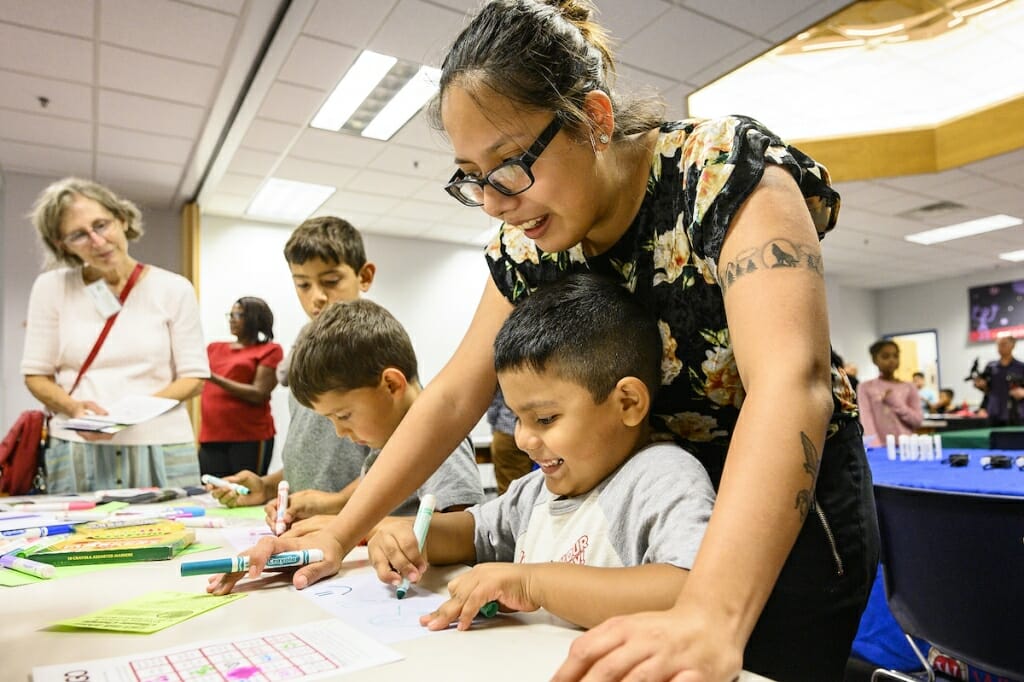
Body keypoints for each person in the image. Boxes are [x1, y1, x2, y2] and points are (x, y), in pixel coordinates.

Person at [213, 2, 877, 680]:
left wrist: (711, 612)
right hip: (643, 507)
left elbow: (791, 384)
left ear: (594, 118)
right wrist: (340, 529)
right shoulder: (528, 242)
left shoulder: (721, 173)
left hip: (782, 506)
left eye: (508, 165)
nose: (496, 202)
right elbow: (450, 398)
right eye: (472, 178)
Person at [368, 274, 714, 630]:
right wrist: (409, 537)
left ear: (627, 403)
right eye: (518, 419)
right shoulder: (537, 492)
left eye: (545, 419)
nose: (523, 440)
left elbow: (691, 589)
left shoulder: (662, 477)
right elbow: (470, 533)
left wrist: (531, 583)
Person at [21, 177, 208, 493]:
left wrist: (130, 414)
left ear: (121, 219)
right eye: (78, 234)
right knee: (78, 541)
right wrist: (75, 409)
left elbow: (194, 377)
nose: (96, 240)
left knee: (176, 535)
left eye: (101, 225)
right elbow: (36, 374)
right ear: (62, 244)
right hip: (76, 445)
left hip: (162, 442)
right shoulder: (51, 288)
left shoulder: (174, 288)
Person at [206, 217, 376, 535]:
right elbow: (314, 452)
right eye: (303, 284)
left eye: (331, 281)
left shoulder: (375, 348)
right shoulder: (303, 349)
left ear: (364, 276)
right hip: (305, 528)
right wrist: (268, 486)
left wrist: (337, 502)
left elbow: (400, 455)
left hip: (353, 531)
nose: (317, 297)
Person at [281, 298, 484, 524]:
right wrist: (333, 507)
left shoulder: (439, 438)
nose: (340, 431)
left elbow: (464, 529)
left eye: (343, 415)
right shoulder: (388, 438)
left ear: (391, 384)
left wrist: (348, 529)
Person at [198, 297, 283, 478]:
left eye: (239, 314)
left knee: (247, 491)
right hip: (211, 435)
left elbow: (259, 393)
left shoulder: (269, 350)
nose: (232, 319)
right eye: (231, 314)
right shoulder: (213, 348)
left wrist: (214, 378)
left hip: (249, 437)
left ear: (255, 318)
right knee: (212, 492)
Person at [857, 340, 923, 446]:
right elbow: (866, 420)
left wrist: (895, 402)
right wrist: (876, 447)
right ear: (875, 360)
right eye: (885, 356)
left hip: (907, 447)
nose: (892, 360)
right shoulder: (865, 387)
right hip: (880, 448)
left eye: (895, 356)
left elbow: (917, 420)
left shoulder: (910, 387)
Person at [485, 386, 534, 494]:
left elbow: (494, 403)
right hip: (535, 430)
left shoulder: (501, 371)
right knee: (530, 487)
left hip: (506, 430)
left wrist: (495, 426)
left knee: (509, 491)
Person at [973, 336, 1024, 426]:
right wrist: (981, 386)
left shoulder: (1020, 367)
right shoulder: (991, 366)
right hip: (994, 412)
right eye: (998, 345)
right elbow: (987, 390)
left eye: (1004, 344)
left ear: (1013, 346)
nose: (1000, 347)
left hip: (1016, 413)